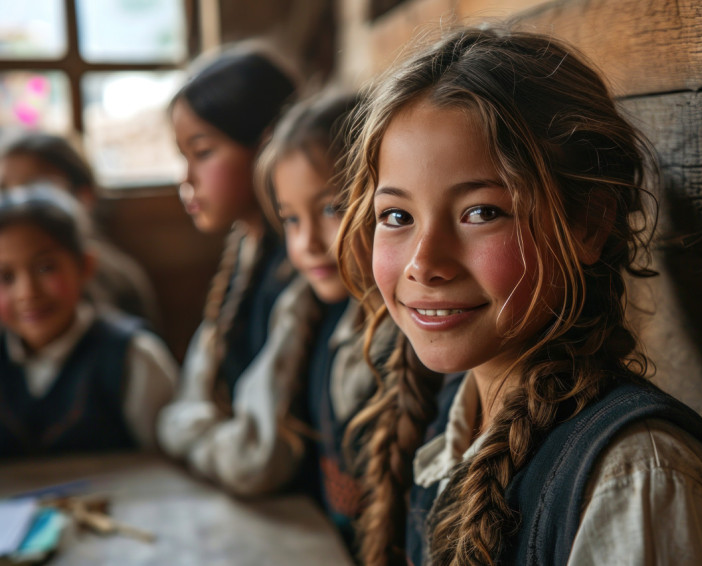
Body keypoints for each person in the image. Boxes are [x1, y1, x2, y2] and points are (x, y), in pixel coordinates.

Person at [337, 27, 702, 566]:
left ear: (587, 223)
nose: (424, 263)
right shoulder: (451, 414)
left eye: (481, 213)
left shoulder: (637, 481)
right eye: (397, 216)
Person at [254, 89, 405, 552]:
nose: (306, 244)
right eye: (291, 220)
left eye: (330, 209)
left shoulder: (418, 343)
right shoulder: (319, 322)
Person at [156, 47, 302, 495]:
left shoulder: (301, 270)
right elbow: (186, 400)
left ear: (267, 146)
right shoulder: (243, 252)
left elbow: (253, 460)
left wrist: (188, 435)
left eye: (202, 152)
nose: (187, 178)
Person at [0, 183, 176, 457]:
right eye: (5, 277)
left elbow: (173, 465)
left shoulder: (133, 357)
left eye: (46, 267)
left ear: (85, 266)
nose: (27, 293)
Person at [0, 132, 160, 326]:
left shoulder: (114, 282)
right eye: (4, 192)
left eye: (37, 191)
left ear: (85, 196)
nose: (17, 206)